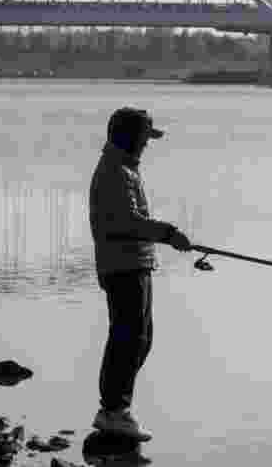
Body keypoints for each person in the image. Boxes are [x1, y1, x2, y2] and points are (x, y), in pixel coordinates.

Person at [89, 107, 193, 441]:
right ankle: (113, 411)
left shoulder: (124, 169)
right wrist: (168, 233)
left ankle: (116, 408)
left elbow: (130, 220)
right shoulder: (114, 172)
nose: (147, 145)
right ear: (128, 137)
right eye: (144, 138)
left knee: (140, 339)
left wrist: (163, 236)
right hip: (123, 266)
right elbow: (125, 222)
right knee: (128, 339)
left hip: (135, 263)